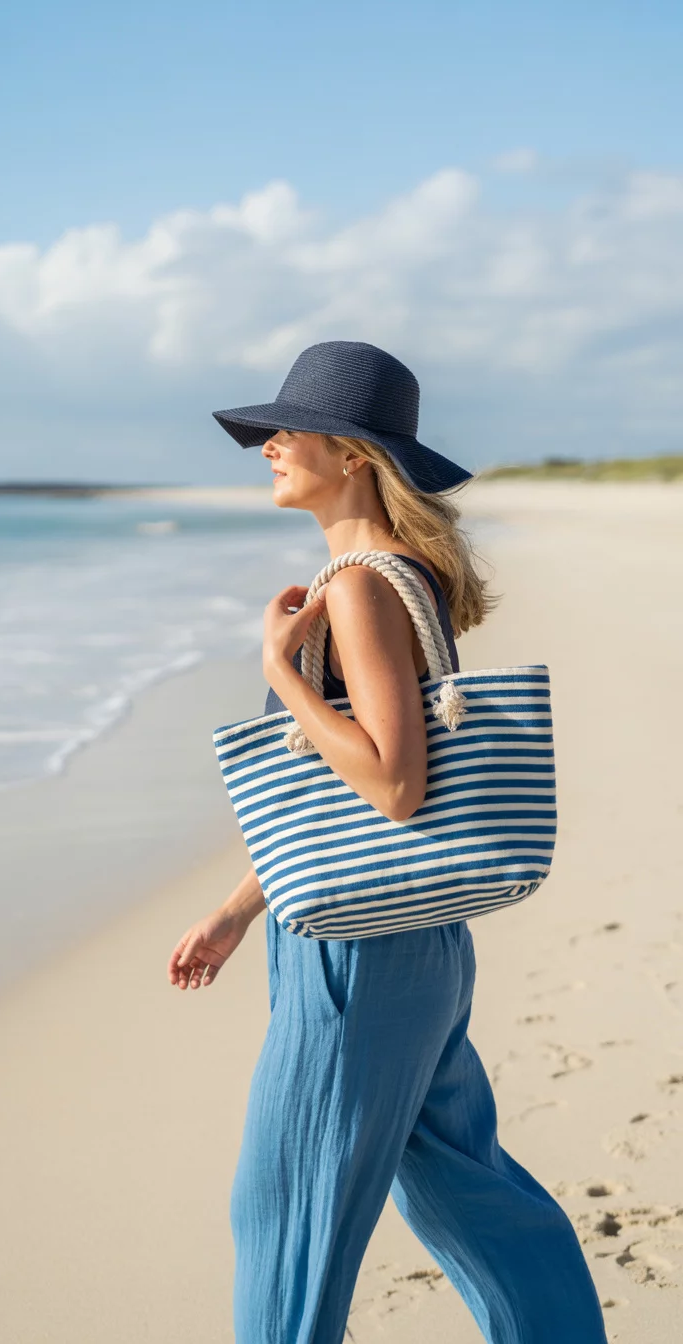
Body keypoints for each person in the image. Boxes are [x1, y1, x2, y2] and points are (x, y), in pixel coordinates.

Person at [168, 342, 607, 1344]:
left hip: (356, 958)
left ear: (355, 453)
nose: (270, 444)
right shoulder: (390, 576)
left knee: (284, 1211)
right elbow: (344, 802)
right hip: (417, 940)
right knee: (471, 1195)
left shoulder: (361, 585)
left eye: (288, 429)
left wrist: (281, 672)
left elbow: (393, 785)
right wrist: (239, 910)